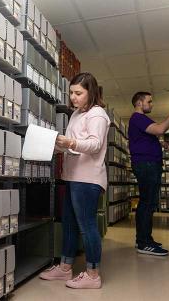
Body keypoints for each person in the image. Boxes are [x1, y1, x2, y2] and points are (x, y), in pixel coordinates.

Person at [39, 72, 110, 289]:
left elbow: (94, 144)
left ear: (91, 92)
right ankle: (64, 268)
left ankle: (93, 274)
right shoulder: (76, 115)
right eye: (71, 92)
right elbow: (71, 145)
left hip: (88, 179)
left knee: (87, 226)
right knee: (68, 223)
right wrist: (53, 144)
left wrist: (70, 141)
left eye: (78, 93)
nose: (73, 97)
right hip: (72, 177)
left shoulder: (97, 114)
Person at [128, 92, 169, 256]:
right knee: (147, 203)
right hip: (146, 164)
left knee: (149, 203)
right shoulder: (138, 117)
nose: (151, 105)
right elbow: (160, 128)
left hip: (149, 164)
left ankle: (145, 239)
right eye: (149, 102)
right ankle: (144, 243)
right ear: (139, 102)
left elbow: (150, 134)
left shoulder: (141, 120)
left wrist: (160, 142)